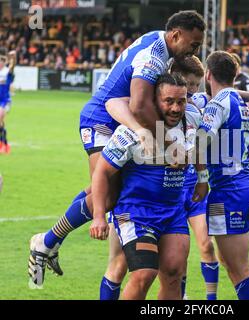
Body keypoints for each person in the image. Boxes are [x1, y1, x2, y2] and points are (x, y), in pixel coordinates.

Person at [28, 10, 206, 291]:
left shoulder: (157, 44)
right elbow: (136, 105)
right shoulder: (154, 55)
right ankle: (46, 242)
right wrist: (169, 143)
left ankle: (50, 241)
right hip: (101, 119)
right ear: (176, 35)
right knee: (107, 196)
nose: (195, 50)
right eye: (194, 44)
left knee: (100, 196)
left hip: (116, 120)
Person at [90, 73, 208, 300]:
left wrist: (202, 178)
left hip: (173, 212)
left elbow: (198, 145)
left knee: (174, 274)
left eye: (181, 101)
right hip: (136, 213)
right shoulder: (132, 131)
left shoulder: (191, 119)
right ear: (155, 100)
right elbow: (102, 171)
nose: (176, 108)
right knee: (144, 274)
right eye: (169, 101)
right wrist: (98, 216)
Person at [198, 51, 249, 300]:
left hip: (227, 194)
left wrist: (202, 177)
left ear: (208, 74)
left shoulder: (217, 105)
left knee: (239, 270)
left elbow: (199, 142)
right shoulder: (241, 105)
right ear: (235, 76)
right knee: (236, 266)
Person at [170, 56, 219, 300]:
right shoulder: (164, 106)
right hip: (174, 190)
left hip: (195, 188)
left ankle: (212, 299)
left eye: (196, 84)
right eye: (188, 83)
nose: (192, 90)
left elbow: (225, 95)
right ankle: (182, 297)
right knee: (179, 253)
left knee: (207, 245)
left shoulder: (198, 101)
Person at [0, 49, 15, 154]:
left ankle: (2, 144)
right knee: (1, 124)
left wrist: (13, 58)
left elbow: (12, 68)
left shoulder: (6, 71)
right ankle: (5, 144)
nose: (0, 62)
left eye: (2, 60)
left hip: (5, 101)